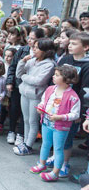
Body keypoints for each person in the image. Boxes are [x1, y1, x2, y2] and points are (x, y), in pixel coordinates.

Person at [30, 65, 80, 182]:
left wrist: (60, 117)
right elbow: (44, 100)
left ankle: (55, 173)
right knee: (45, 144)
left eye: (57, 75)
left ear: (67, 79)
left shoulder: (73, 96)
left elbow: (75, 114)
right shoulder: (50, 89)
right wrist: (41, 107)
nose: (53, 76)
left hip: (61, 127)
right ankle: (42, 164)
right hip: (46, 122)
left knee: (58, 149)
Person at [14, 38, 56, 156]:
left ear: (45, 50)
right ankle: (26, 142)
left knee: (33, 121)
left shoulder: (49, 64)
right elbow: (18, 73)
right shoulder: (32, 61)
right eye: (34, 47)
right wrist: (22, 61)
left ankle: (29, 145)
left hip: (36, 96)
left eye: (37, 48)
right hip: (24, 93)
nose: (34, 50)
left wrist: (24, 77)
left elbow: (38, 81)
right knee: (26, 119)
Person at [5, 28, 45, 145]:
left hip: (33, 89)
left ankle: (21, 135)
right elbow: (13, 66)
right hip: (18, 85)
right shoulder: (23, 50)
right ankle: (11, 131)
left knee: (26, 114)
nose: (30, 41)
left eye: (33, 39)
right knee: (14, 108)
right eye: (29, 38)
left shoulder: (43, 54)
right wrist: (9, 82)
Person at [58, 32, 89, 178]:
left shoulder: (87, 65)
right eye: (69, 43)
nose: (70, 45)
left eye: (74, 44)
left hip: (73, 108)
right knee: (56, 136)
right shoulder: (65, 58)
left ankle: (64, 163)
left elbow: (85, 91)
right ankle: (57, 160)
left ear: (86, 47)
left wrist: (80, 114)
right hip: (58, 103)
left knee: (67, 138)